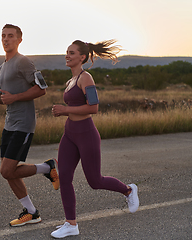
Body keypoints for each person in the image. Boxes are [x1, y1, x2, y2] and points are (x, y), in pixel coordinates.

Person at [50, 40, 139, 238]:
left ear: (82, 57)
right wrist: (64, 113)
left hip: (86, 134)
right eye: (66, 52)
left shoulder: (85, 78)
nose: (67, 55)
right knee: (64, 176)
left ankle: (128, 191)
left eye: (71, 53)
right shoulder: (70, 81)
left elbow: (94, 107)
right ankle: (70, 224)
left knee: (95, 181)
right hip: (70, 133)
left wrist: (65, 109)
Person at [0, 24, 59, 227]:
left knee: (6, 171)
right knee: (8, 171)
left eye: (10, 36)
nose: (6, 39)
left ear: (19, 40)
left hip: (24, 124)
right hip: (9, 123)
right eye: (3, 36)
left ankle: (48, 167)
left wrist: (15, 97)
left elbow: (42, 89)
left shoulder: (24, 62)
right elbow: (9, 99)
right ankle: (32, 212)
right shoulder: (1, 67)